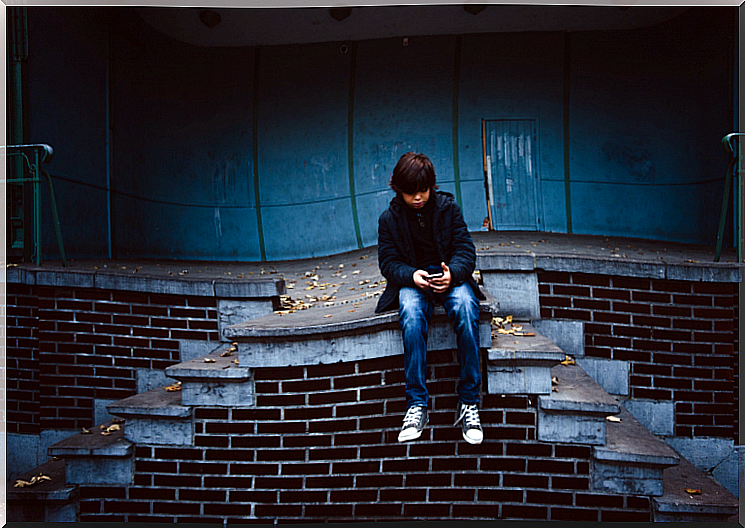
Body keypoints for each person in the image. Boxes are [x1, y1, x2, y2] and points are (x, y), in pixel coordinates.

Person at [375, 152, 485, 445]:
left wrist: (454, 275)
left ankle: (469, 402)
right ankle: (416, 405)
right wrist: (411, 276)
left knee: (464, 307)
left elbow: (465, 250)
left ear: (431, 186)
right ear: (398, 189)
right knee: (409, 312)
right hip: (414, 280)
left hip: (451, 278)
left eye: (423, 191)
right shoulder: (389, 219)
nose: (418, 198)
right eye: (410, 192)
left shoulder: (449, 209)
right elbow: (388, 262)